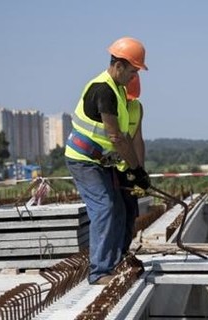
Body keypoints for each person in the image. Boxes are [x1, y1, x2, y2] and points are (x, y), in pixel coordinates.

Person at [64, 37, 151, 285]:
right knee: (105, 207)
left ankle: (114, 262)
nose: (134, 77)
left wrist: (137, 171)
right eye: (133, 71)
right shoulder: (104, 90)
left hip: (99, 161)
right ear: (119, 65)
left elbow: (130, 138)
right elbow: (117, 138)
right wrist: (136, 171)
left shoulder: (117, 90)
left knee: (120, 208)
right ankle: (100, 271)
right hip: (83, 160)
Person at [117, 74, 145, 255]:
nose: (128, 103)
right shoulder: (112, 105)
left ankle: (124, 252)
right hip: (109, 167)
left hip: (129, 167)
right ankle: (113, 255)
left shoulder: (137, 107)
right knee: (113, 211)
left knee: (130, 212)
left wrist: (140, 173)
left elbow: (137, 140)